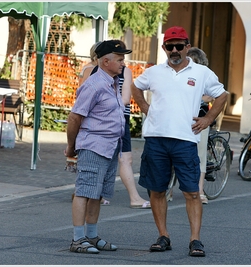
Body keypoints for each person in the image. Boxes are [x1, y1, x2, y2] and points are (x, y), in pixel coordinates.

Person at [131, 26, 228, 257]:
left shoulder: (202, 72)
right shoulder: (154, 71)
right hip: (156, 139)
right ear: (164, 48)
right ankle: (163, 236)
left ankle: (195, 240)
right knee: (156, 190)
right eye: (169, 46)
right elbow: (134, 86)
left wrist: (208, 118)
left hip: (185, 140)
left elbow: (222, 94)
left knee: (192, 192)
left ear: (187, 47)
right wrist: (144, 107)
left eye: (179, 46)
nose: (174, 50)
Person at [65, 40, 132, 254]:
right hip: (94, 145)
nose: (123, 63)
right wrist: (71, 147)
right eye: (120, 59)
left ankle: (91, 236)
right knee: (84, 191)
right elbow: (75, 116)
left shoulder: (111, 82)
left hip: (110, 146)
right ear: (106, 61)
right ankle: (77, 239)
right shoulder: (94, 84)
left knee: (97, 193)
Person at [90, 40, 151, 208]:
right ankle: (134, 198)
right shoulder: (125, 72)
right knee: (125, 158)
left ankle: (98, 194)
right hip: (118, 119)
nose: (123, 62)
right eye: (120, 57)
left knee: (104, 157)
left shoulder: (96, 71)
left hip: (102, 119)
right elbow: (125, 99)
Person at [187, 47, 214, 204]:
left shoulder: (206, 75)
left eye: (195, 61)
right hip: (183, 119)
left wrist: (199, 98)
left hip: (201, 120)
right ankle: (169, 189)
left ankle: (200, 189)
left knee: (200, 155)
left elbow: (211, 96)